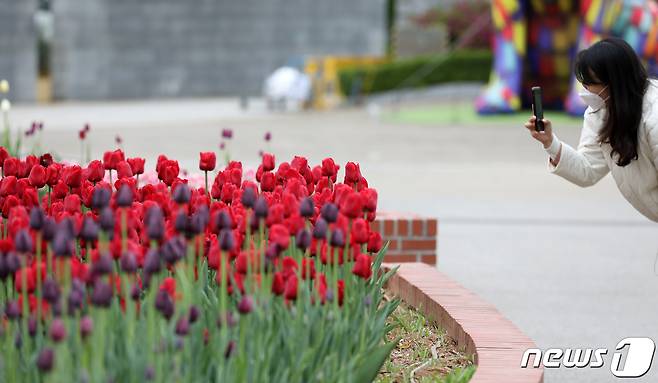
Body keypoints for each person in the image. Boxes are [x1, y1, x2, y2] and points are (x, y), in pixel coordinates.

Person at [524, 37, 658, 222]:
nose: (585, 90)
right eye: (582, 83)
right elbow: (587, 170)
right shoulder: (600, 112)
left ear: (614, 82)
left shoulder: (654, 117)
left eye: (589, 83)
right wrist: (550, 142)